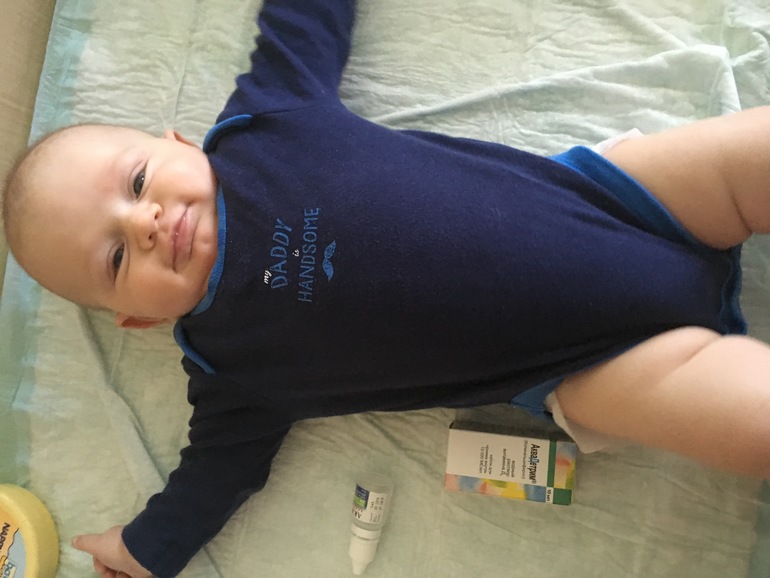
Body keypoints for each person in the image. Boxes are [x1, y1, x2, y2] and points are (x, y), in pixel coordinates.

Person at [4, 0, 770, 576]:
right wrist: (145, 548)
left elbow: (304, 20)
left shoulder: (266, 122)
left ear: (175, 140)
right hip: (593, 367)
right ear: (136, 320)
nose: (144, 223)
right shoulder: (229, 370)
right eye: (114, 258)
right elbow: (214, 475)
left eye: (138, 181)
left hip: (610, 200)